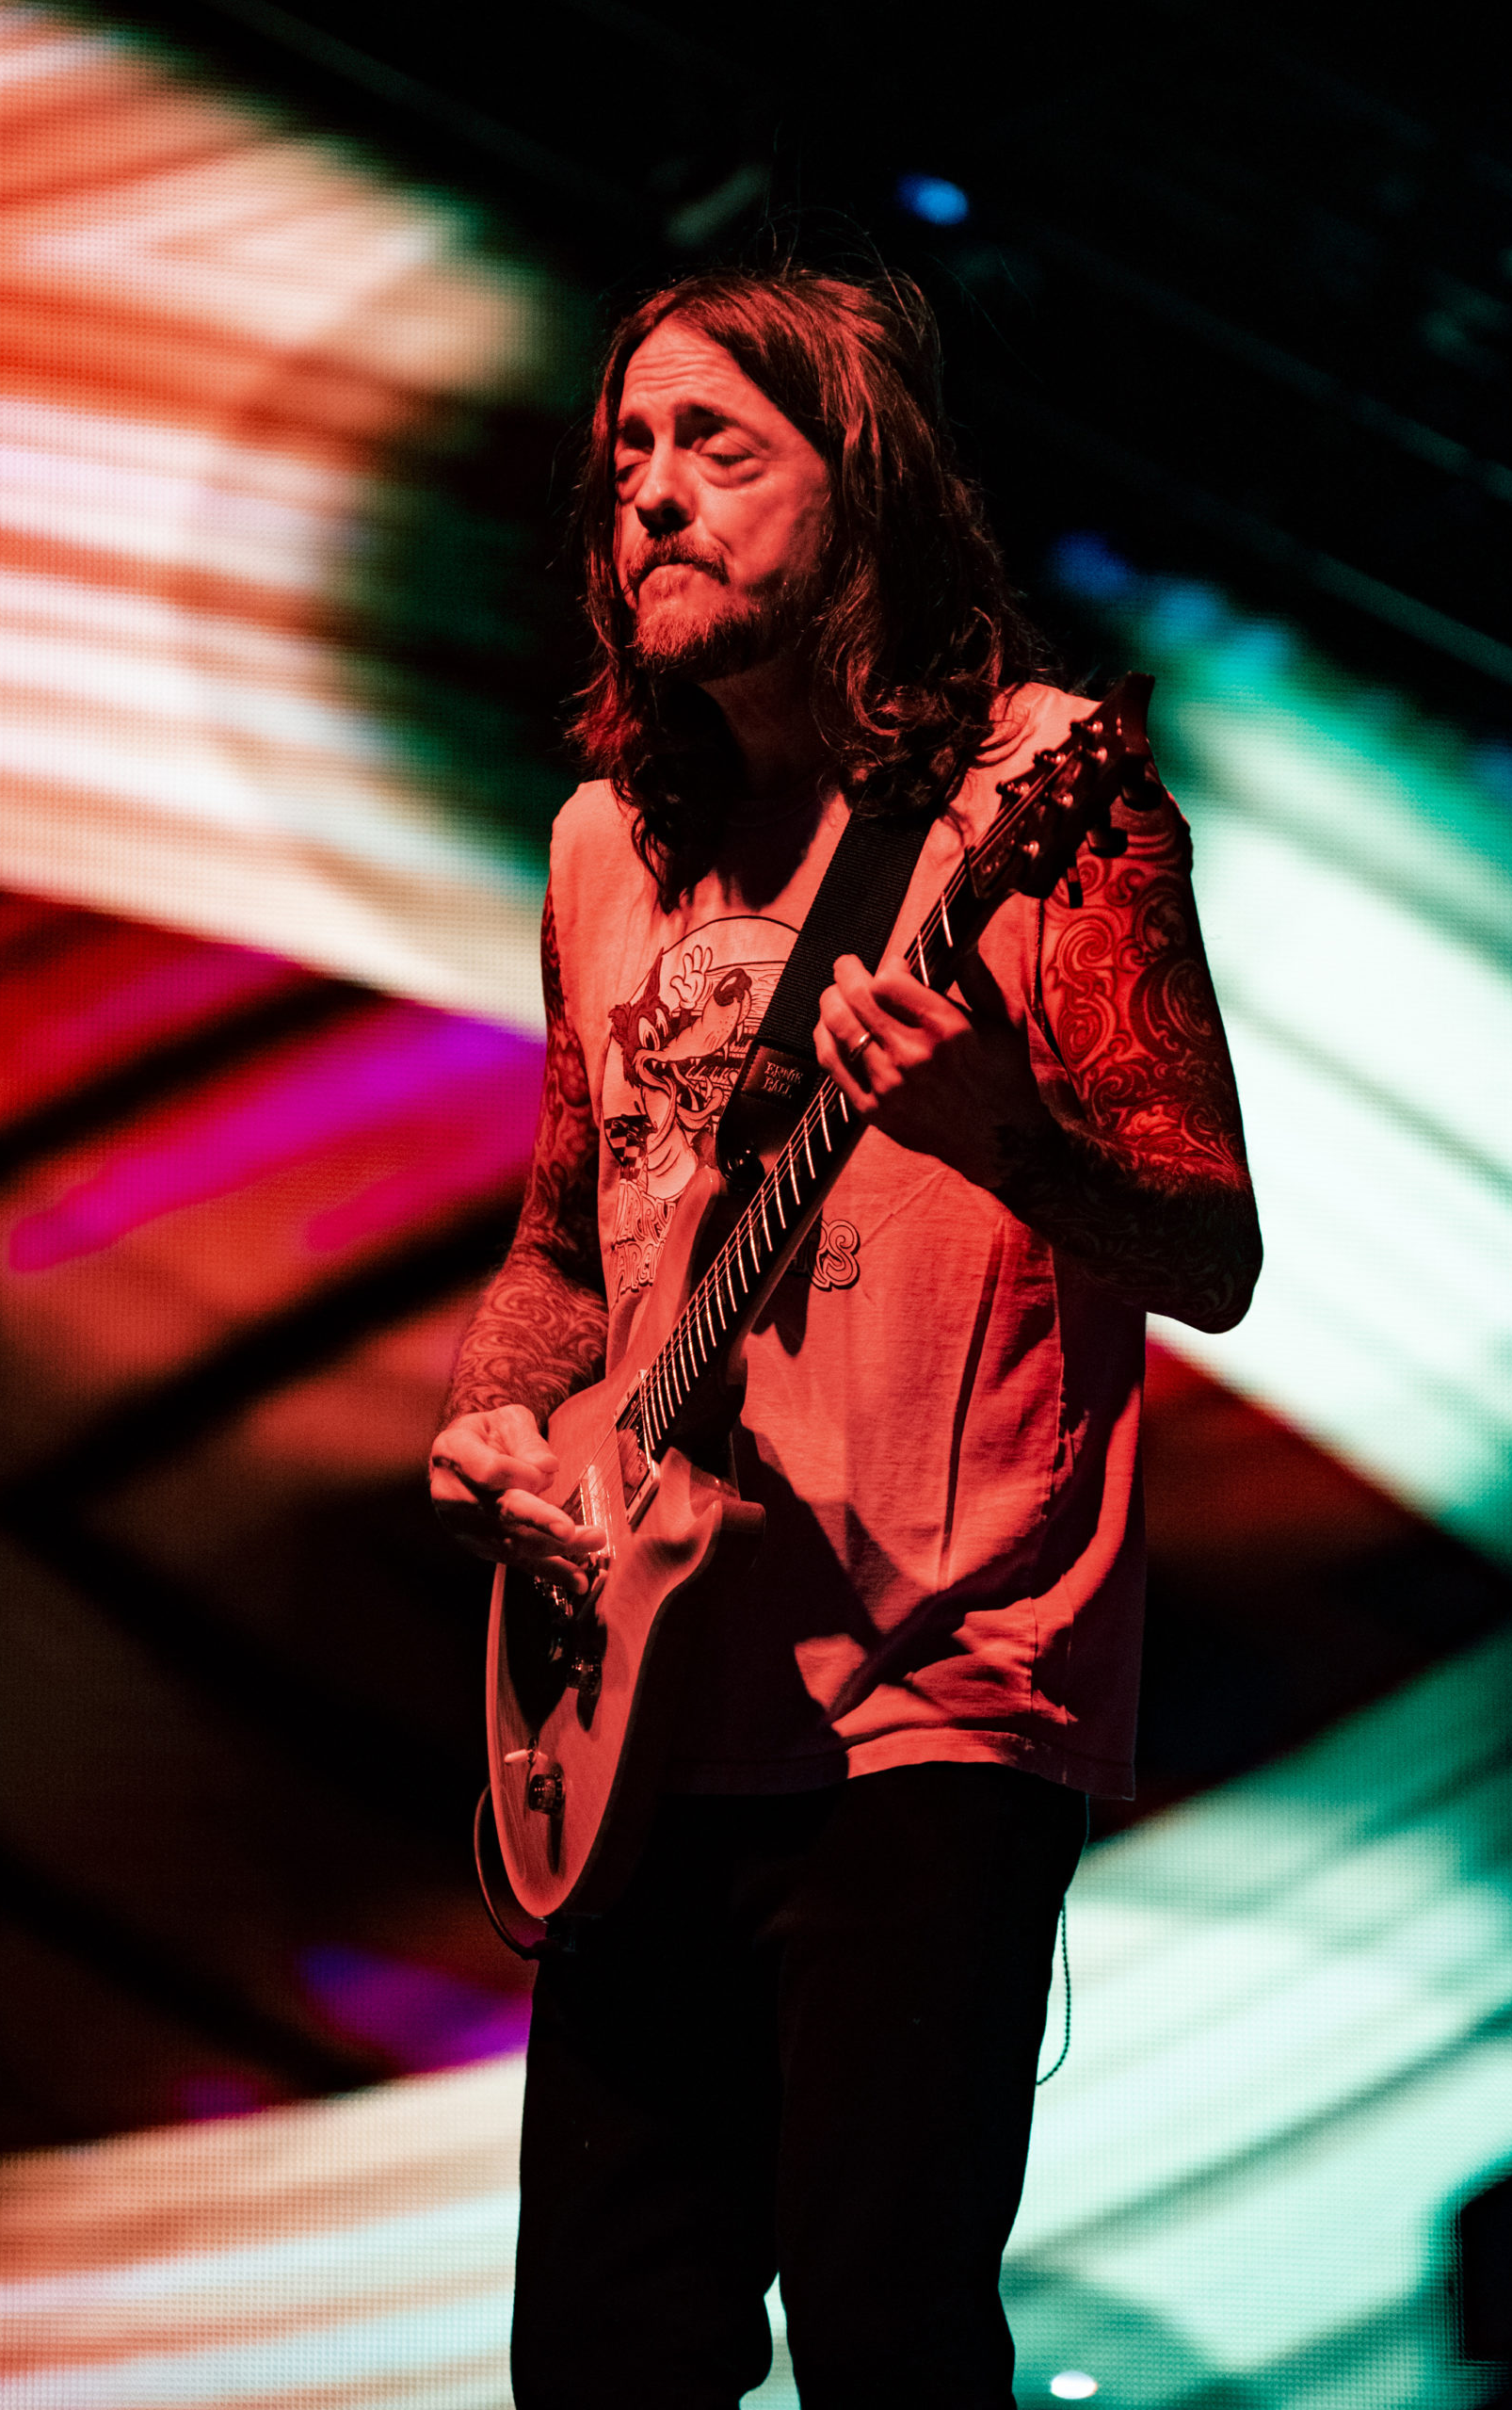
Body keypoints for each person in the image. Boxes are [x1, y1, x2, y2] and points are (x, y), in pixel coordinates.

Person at [429, 266, 1260, 2410]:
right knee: (602, 2360)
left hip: (936, 1688)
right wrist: (499, 1420)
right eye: (626, 454)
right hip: (638, 1703)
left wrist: (1001, 1131)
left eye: (717, 445)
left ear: (864, 479)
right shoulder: (603, 847)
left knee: (886, 2338)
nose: (651, 497)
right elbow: (561, 1244)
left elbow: (1211, 1243)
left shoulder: (1045, 792)